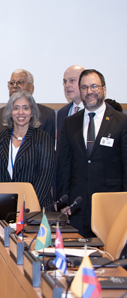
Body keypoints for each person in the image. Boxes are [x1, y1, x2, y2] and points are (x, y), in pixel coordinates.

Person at [57, 69, 127, 237]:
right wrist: (63, 201)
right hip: (77, 205)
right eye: (84, 87)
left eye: (94, 86)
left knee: (109, 257)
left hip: (111, 204)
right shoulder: (70, 123)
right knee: (77, 257)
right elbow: (64, 164)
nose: (89, 92)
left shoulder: (121, 122)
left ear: (104, 89)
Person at [0, 91, 55, 209]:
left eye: (25, 108)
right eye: (16, 108)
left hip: (35, 207)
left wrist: (29, 205)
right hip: (5, 207)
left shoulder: (43, 138)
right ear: (10, 112)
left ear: (32, 112)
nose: (20, 112)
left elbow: (45, 175)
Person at [0, 69, 56, 140]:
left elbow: (48, 147)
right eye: (12, 83)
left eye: (20, 82)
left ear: (31, 88)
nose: (14, 86)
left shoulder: (46, 115)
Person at [57, 65, 85, 137]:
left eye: (72, 80)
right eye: (65, 81)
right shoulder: (62, 112)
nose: (67, 85)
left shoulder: (98, 110)